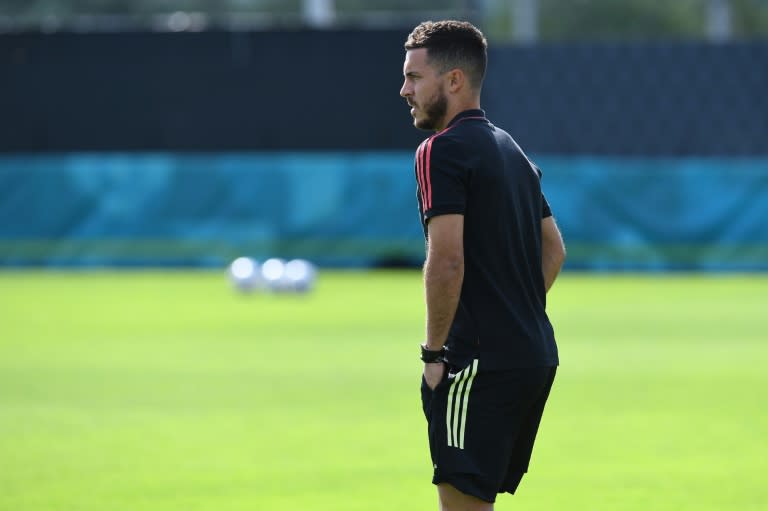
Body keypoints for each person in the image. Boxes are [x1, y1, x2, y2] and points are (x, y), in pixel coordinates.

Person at [399, 20, 566, 511]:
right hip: (533, 355)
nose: (404, 90)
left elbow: (447, 261)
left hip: (476, 362)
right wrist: (512, 314)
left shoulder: (439, 150)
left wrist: (434, 356)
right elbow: (554, 250)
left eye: (414, 77)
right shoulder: (511, 149)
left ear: (453, 80)